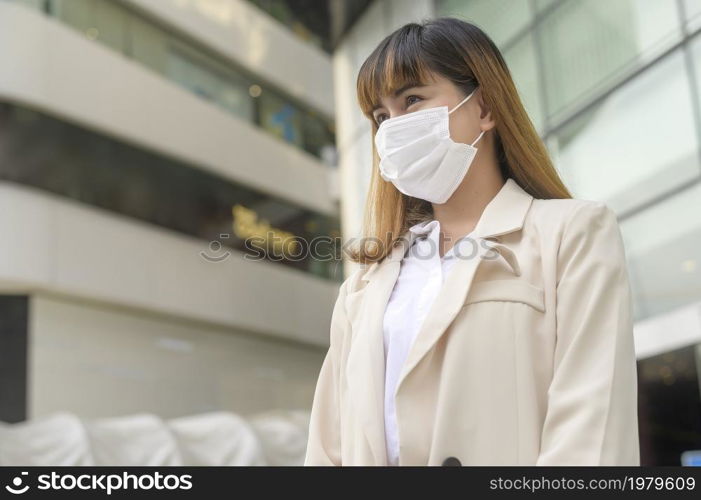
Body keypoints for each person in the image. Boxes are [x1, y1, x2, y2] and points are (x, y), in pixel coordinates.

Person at [304, 17, 640, 466]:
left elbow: (591, 435)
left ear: (483, 107)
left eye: (412, 100)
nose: (391, 129)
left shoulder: (572, 234)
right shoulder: (362, 289)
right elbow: (329, 448)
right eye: (381, 116)